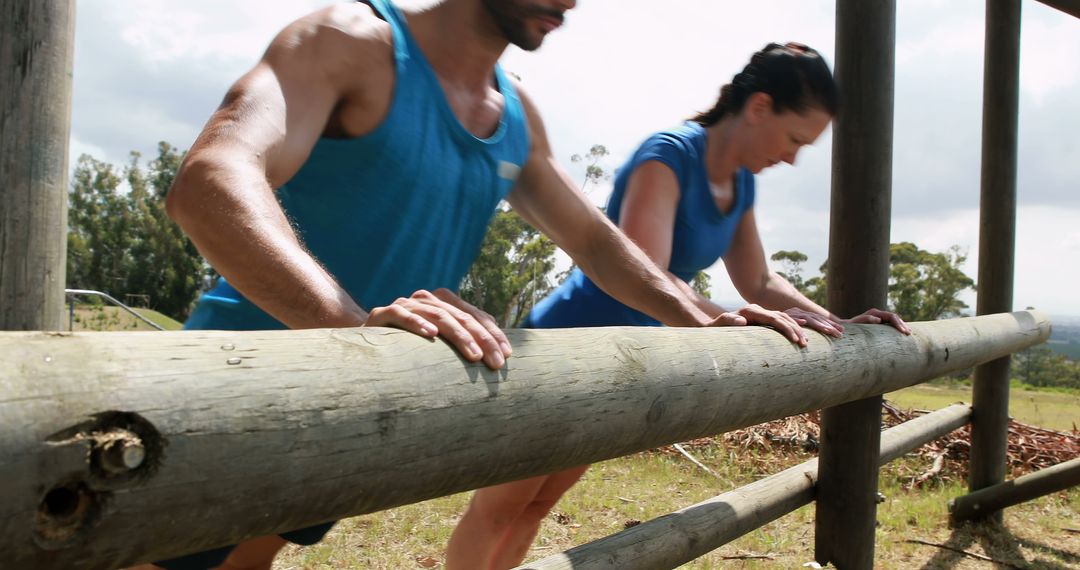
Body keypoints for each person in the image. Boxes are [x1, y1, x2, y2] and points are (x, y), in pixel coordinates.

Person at [140, 2, 811, 569]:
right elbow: (211, 180)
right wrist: (350, 328)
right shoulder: (348, 42)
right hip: (227, 400)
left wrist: (700, 315)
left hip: (346, 419)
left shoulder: (514, 117)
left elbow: (594, 243)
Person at [446, 42, 912, 570]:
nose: (791, 157)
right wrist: (723, 319)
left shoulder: (740, 184)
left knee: (537, 504)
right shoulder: (667, 156)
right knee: (499, 508)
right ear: (759, 107)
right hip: (566, 347)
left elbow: (757, 278)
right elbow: (651, 270)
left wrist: (835, 323)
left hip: (627, 362)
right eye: (794, 138)